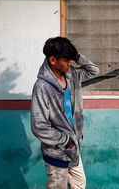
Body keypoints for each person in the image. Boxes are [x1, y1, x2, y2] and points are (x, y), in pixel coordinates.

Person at [31, 36, 100, 189]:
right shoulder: (42, 87)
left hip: (74, 147)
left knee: (80, 184)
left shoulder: (72, 76)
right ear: (53, 60)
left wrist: (76, 56)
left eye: (71, 59)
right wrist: (66, 141)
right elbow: (39, 126)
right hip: (57, 151)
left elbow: (94, 70)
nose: (70, 63)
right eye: (66, 60)